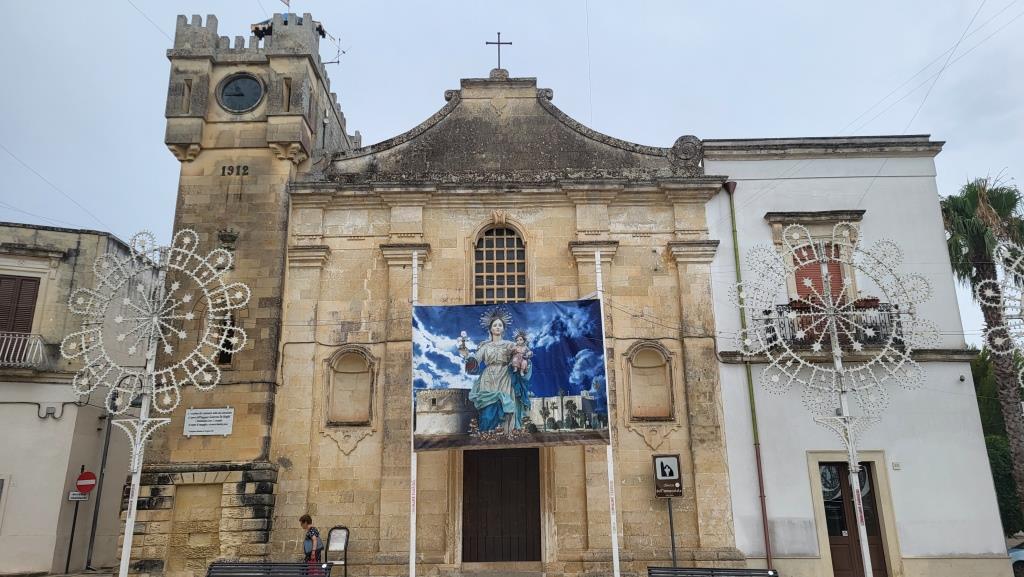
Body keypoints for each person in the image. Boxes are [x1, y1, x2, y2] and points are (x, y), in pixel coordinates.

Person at [459, 309, 532, 434]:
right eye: (495, 325)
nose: (497, 327)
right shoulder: (485, 346)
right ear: (490, 328)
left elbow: (521, 354)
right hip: (488, 378)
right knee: (488, 410)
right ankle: (487, 434)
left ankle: (507, 434)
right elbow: (475, 360)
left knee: (506, 406)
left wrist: (525, 359)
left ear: (503, 328)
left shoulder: (510, 345)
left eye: (500, 325)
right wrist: (466, 355)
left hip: (505, 377)